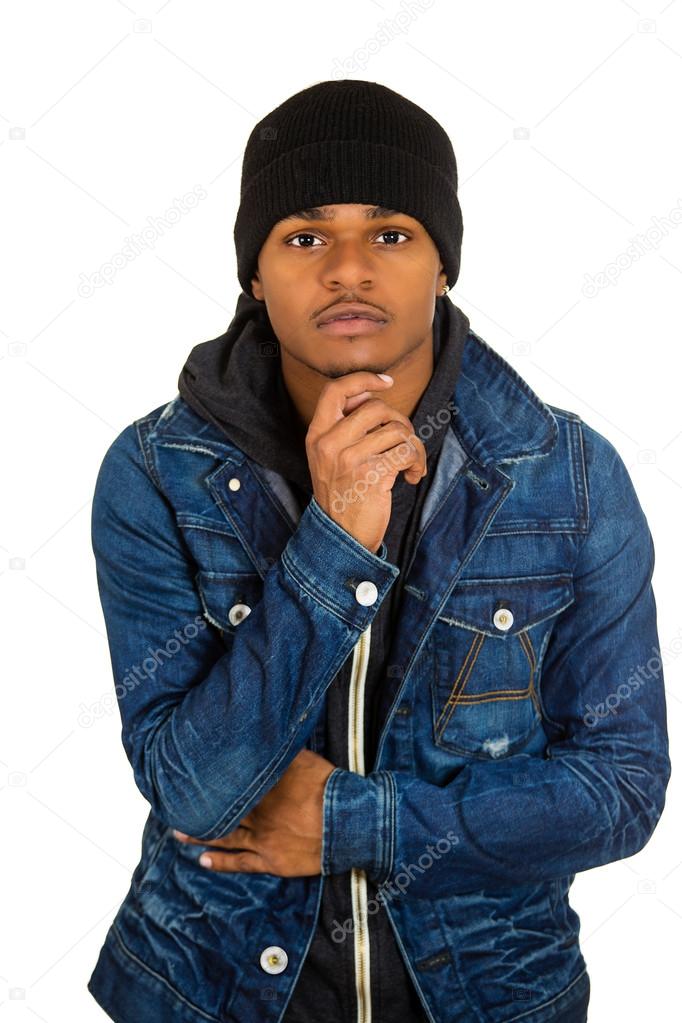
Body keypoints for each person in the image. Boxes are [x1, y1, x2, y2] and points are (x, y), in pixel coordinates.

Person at [87, 79, 670, 1023]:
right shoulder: (158, 472)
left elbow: (621, 785)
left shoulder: (566, 474)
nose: (348, 268)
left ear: (443, 266)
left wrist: (360, 824)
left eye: (391, 233)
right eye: (305, 236)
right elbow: (193, 788)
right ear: (253, 274)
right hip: (210, 991)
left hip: (491, 992)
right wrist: (336, 537)